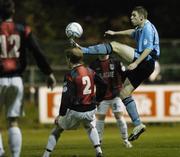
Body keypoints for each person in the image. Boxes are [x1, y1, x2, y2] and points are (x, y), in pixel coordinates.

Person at [71, 6, 160, 141]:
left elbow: (148, 49)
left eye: (134, 15)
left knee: (115, 46)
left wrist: (136, 63)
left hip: (145, 60)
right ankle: (138, 124)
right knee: (124, 93)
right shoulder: (142, 27)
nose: (131, 18)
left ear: (142, 17)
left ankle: (84, 50)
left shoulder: (147, 28)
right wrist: (115, 32)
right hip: (148, 66)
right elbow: (132, 32)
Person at [0, 0, 56, 157]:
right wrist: (48, 72)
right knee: (13, 121)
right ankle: (16, 155)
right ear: (13, 11)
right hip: (17, 79)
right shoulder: (23, 29)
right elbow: (37, 51)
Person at [42, 48, 107, 157]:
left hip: (76, 111)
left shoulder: (70, 74)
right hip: (90, 109)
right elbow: (104, 84)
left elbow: (66, 97)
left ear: (69, 59)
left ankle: (46, 155)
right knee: (90, 126)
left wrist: (61, 115)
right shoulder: (90, 71)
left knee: (57, 129)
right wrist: (98, 100)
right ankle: (99, 152)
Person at [89, 54, 132, 148]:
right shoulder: (93, 65)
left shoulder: (116, 62)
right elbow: (90, 81)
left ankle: (125, 140)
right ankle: (98, 142)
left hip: (115, 95)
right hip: (102, 97)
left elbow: (124, 75)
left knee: (119, 117)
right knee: (100, 119)